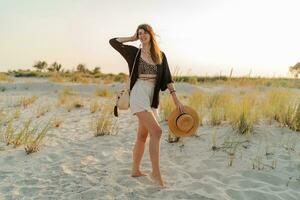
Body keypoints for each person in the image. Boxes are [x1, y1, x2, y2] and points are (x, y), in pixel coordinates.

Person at [109, 23, 184, 187]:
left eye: (144, 33)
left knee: (142, 136)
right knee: (157, 131)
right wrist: (131, 37)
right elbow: (113, 42)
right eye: (139, 33)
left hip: (152, 97)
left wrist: (176, 100)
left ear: (151, 35)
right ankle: (156, 173)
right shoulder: (134, 53)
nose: (142, 36)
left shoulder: (160, 55)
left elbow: (168, 79)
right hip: (138, 93)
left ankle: (135, 170)